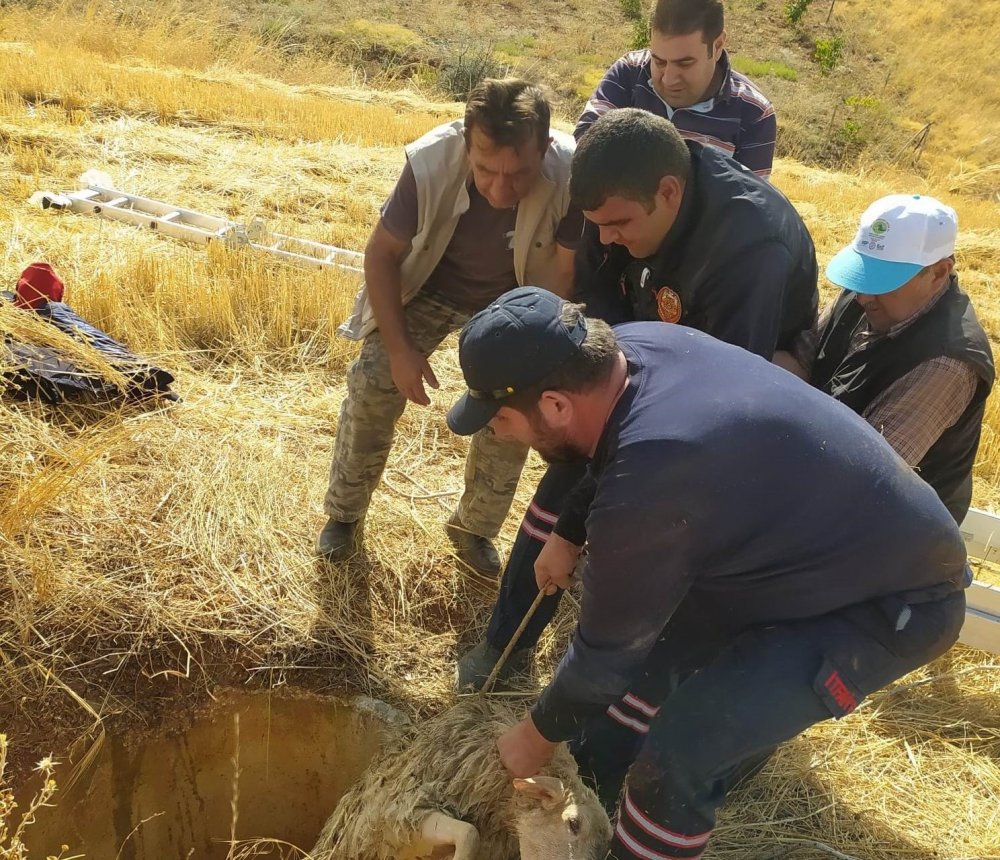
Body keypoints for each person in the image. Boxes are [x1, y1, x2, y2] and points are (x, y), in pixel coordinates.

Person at [448, 287, 969, 858]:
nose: (496, 432)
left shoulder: (654, 483)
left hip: (885, 602)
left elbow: (601, 659)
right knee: (640, 685)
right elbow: (618, 450)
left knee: (680, 756)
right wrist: (569, 532)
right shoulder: (634, 351)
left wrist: (530, 738)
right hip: (788, 549)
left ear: (553, 405)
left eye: (499, 417)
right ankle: (592, 811)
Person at [457, 107, 817, 689]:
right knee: (567, 475)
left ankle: (631, 683)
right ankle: (507, 643)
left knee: (656, 524)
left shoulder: (749, 247)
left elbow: (715, 397)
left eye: (619, 224)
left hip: (736, 388)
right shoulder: (612, 200)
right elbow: (598, 296)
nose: (605, 238)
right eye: (596, 224)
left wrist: (583, 522)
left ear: (669, 194)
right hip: (642, 348)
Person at [317, 79, 583, 572]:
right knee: (374, 381)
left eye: (518, 174)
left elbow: (562, 277)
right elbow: (381, 256)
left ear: (545, 149)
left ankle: (475, 528)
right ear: (466, 143)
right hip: (431, 288)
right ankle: (344, 515)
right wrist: (400, 351)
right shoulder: (430, 162)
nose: (501, 189)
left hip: (517, 299)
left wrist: (524, 363)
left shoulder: (571, 173)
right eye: (485, 170)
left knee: (511, 410)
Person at [775, 194, 995, 524]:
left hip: (884, 537)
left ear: (938, 273)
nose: (864, 296)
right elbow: (800, 364)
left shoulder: (946, 361)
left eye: (883, 281)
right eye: (864, 274)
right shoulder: (865, 295)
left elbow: (863, 477)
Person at [577, 0, 776, 177]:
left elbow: (748, 205)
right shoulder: (629, 73)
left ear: (717, 46)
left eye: (685, 64)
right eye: (659, 62)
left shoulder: (754, 113)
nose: (669, 79)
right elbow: (586, 146)